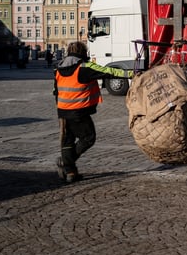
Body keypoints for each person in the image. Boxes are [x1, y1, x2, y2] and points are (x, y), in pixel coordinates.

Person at [53, 41, 132, 183]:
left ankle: (71, 173)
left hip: (63, 110)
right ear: (83, 52)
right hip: (78, 111)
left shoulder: (58, 68)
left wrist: (60, 108)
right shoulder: (84, 67)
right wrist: (131, 73)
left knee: (67, 140)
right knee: (88, 138)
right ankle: (67, 163)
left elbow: (56, 91)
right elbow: (109, 72)